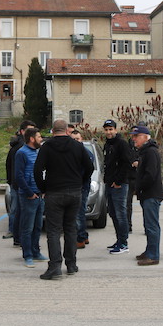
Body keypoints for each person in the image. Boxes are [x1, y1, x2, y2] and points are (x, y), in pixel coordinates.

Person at [34, 119, 94, 279]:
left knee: (54, 231)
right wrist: (80, 182)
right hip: (74, 192)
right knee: (70, 228)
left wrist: (43, 188)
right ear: (67, 130)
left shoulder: (47, 147)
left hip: (54, 192)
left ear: (53, 131)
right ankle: (71, 264)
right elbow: (89, 167)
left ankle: (55, 266)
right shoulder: (77, 146)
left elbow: (37, 170)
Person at [15, 127, 48, 268]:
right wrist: (29, 193)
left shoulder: (38, 152)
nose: (41, 139)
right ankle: (27, 255)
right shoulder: (21, 153)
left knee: (38, 226)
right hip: (29, 196)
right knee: (27, 228)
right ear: (32, 139)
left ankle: (36, 252)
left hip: (39, 195)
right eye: (39, 137)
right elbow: (19, 176)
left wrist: (43, 189)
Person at [132, 125, 163, 266]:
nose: (134, 139)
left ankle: (153, 255)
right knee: (148, 224)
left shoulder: (151, 152)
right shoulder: (145, 152)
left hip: (151, 194)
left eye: (136, 136)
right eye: (133, 136)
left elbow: (150, 175)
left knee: (152, 226)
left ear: (145, 137)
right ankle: (149, 251)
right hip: (146, 194)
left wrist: (139, 187)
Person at [103, 119, 135, 254]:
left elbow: (127, 164)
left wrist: (118, 181)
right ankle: (119, 240)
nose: (108, 132)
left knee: (120, 214)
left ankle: (123, 243)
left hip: (119, 185)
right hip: (109, 184)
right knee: (112, 213)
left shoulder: (122, 144)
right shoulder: (107, 144)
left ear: (116, 130)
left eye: (111, 129)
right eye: (106, 129)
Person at [4, 120, 36, 244]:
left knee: (18, 210)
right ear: (22, 131)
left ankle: (16, 233)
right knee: (17, 210)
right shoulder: (20, 148)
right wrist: (11, 181)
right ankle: (14, 232)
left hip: (19, 183)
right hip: (18, 184)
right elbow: (10, 165)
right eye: (29, 130)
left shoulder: (21, 146)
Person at [71, 129, 93, 249]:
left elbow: (89, 169)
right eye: (73, 139)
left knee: (79, 213)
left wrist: (81, 181)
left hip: (82, 186)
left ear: (82, 139)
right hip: (76, 186)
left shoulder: (86, 153)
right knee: (79, 212)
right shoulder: (71, 152)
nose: (76, 141)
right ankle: (84, 235)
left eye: (77, 139)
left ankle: (80, 238)